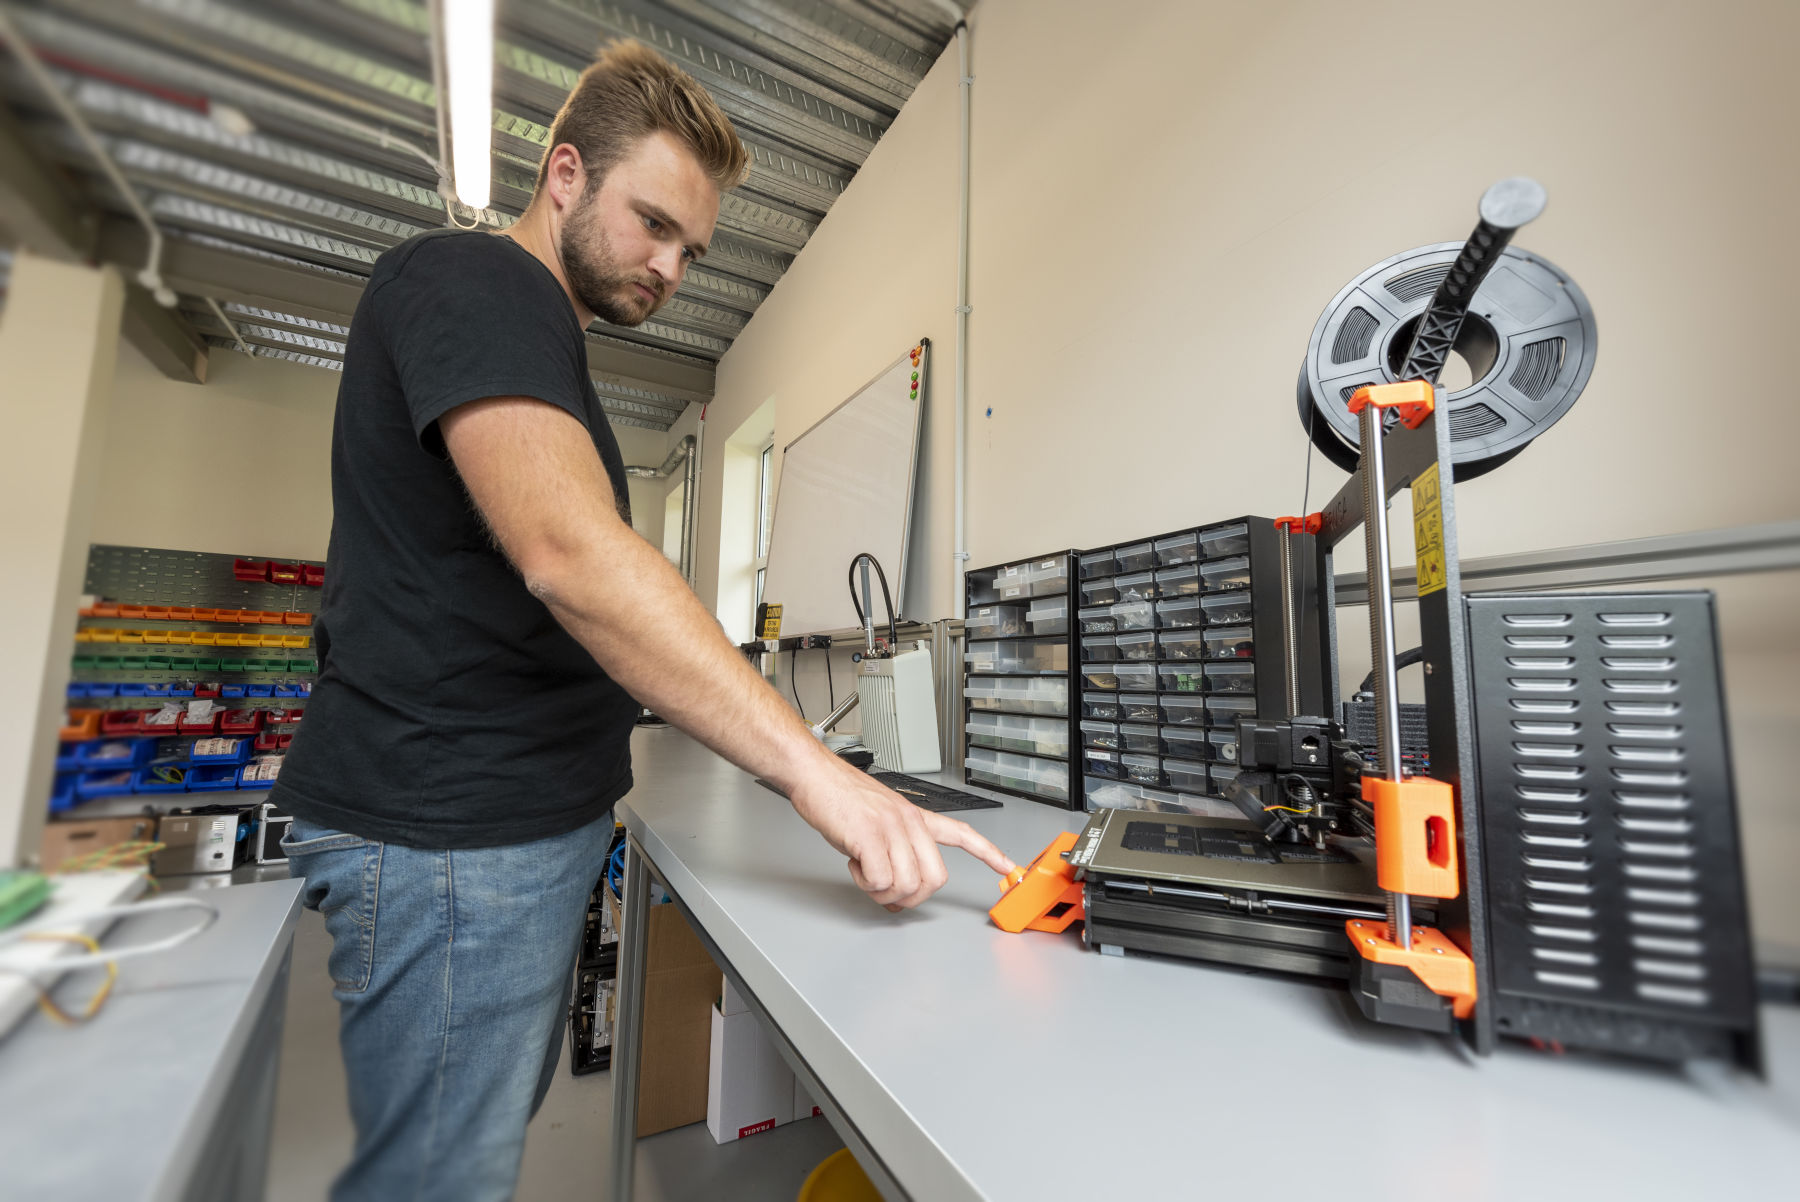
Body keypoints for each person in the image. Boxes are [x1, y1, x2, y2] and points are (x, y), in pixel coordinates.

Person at [268, 39, 1015, 1202]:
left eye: (692, 248)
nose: (671, 266)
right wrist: (820, 773)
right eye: (653, 222)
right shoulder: (475, 280)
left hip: (483, 830)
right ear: (563, 173)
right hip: (449, 836)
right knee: (438, 1179)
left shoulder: (537, 335)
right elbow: (574, 557)